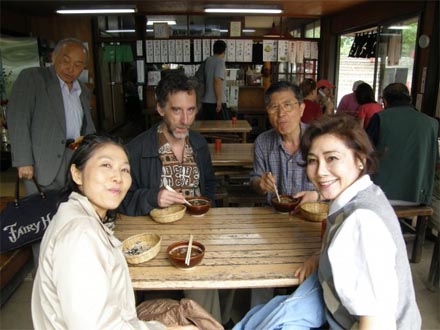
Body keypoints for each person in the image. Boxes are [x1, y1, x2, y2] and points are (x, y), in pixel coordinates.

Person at [31, 134, 195, 330]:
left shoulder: (76, 216)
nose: (118, 177)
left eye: (124, 169)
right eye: (106, 165)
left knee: (186, 311)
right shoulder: (79, 235)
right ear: (76, 174)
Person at [119, 71, 232, 326]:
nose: (185, 120)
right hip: (156, 240)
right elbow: (121, 201)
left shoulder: (199, 145)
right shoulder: (136, 150)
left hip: (197, 236)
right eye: (176, 110)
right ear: (160, 108)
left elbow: (210, 184)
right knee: (160, 306)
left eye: (191, 110)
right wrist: (152, 197)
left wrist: (205, 206)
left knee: (213, 283)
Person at [295, 114, 421, 329]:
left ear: (360, 160)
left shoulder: (361, 222)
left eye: (332, 158)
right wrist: (322, 255)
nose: (320, 171)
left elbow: (377, 323)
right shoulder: (367, 195)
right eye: (313, 160)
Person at [6, 37, 96, 267]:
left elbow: (88, 127)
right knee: (42, 225)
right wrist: (23, 161)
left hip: (73, 161)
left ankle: (67, 270)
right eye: (66, 61)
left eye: (78, 64)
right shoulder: (33, 78)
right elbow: (17, 118)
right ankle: (44, 279)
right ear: (53, 57)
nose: (71, 69)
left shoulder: (82, 90)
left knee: (72, 218)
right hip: (40, 165)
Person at [250, 80, 318, 307]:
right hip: (273, 220)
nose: (281, 114)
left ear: (301, 108)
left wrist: (316, 196)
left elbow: (338, 184)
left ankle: (299, 311)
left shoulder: (318, 140)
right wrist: (260, 183)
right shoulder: (263, 142)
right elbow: (253, 180)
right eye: (273, 107)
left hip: (311, 221)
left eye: (288, 105)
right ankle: (258, 315)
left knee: (312, 275)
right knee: (259, 268)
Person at [366, 82, 438, 205]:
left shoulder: (380, 118)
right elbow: (435, 161)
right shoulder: (432, 124)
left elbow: (365, 153)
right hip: (418, 197)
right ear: (409, 99)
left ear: (385, 101)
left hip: (381, 195)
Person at [201, 40, 229, 120]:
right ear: (224, 51)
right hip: (215, 102)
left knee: (208, 128)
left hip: (206, 100)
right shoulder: (220, 62)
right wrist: (219, 101)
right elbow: (217, 80)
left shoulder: (208, 60)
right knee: (223, 128)